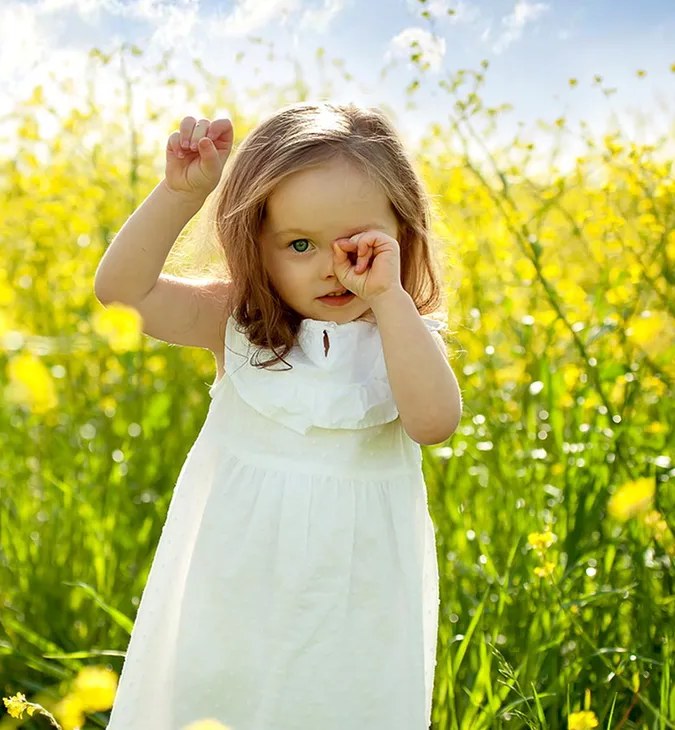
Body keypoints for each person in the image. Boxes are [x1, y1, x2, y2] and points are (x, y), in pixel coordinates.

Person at [93, 101, 462, 730]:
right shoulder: (237, 326)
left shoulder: (401, 337)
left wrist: (391, 300)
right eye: (298, 244)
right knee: (216, 706)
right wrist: (181, 196)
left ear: (403, 233)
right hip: (234, 588)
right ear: (255, 246)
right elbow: (120, 294)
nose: (331, 266)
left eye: (358, 243)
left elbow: (434, 423)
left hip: (356, 604)